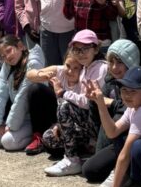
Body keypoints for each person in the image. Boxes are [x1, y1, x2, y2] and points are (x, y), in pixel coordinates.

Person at [43, 30, 108, 177]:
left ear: (95, 49)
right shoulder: (86, 67)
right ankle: (85, 149)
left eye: (85, 49)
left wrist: (62, 93)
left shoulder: (101, 68)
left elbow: (88, 102)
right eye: (77, 49)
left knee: (64, 106)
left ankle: (72, 159)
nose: (81, 53)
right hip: (88, 122)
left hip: (100, 124)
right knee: (49, 138)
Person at [82, 39, 141, 187]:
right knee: (90, 170)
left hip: (134, 139)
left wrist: (112, 103)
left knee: (118, 115)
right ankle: (113, 164)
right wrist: (96, 101)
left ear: (131, 62)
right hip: (113, 138)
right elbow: (97, 117)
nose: (114, 67)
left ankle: (125, 173)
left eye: (120, 62)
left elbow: (133, 111)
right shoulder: (110, 83)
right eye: (111, 62)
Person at [0, 35, 44, 151]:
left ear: (20, 46)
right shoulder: (7, 65)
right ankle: (19, 132)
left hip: (35, 117)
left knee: (7, 142)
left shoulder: (33, 62)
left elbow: (22, 96)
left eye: (9, 51)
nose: (7, 57)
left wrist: (11, 125)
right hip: (20, 117)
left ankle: (39, 136)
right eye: (3, 56)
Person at [24, 50, 82, 155]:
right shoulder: (60, 71)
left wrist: (60, 125)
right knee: (35, 88)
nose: (70, 71)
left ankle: (79, 145)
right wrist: (42, 75)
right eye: (68, 66)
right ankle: (38, 137)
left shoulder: (85, 78)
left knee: (54, 149)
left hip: (77, 120)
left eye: (76, 68)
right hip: (58, 115)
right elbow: (29, 74)